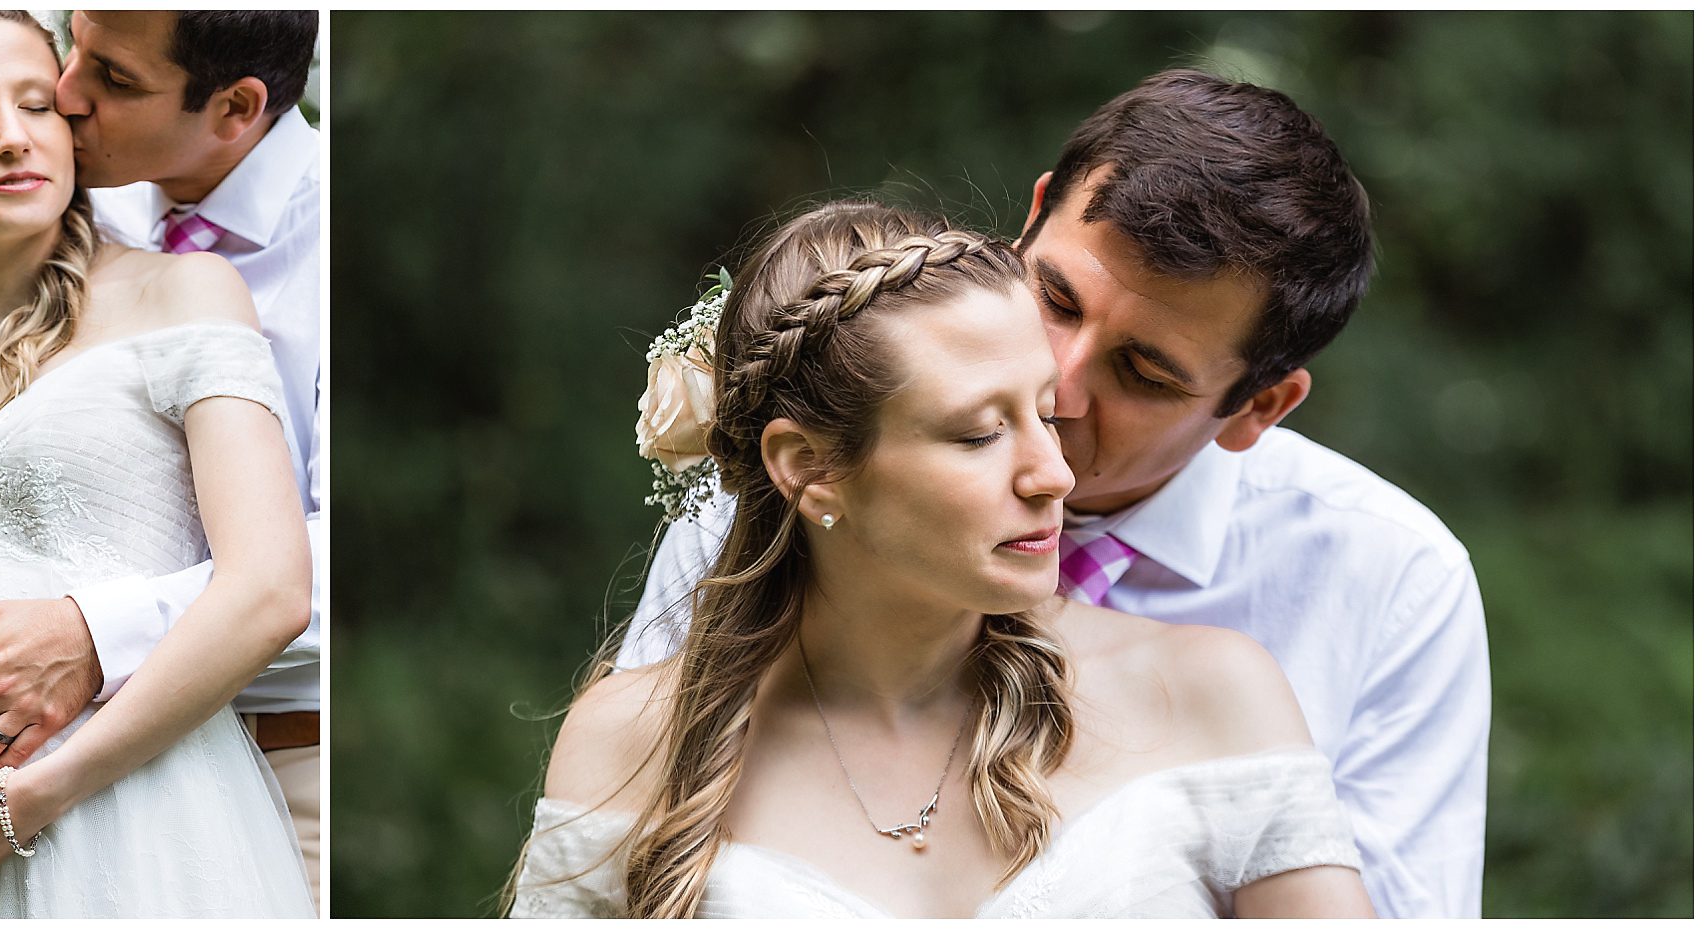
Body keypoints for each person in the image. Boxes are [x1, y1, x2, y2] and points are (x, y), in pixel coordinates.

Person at [620, 69, 1489, 918]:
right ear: (1033, 217)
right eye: (1057, 298)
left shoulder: (1391, 582)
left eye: (1143, 373)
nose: (1061, 383)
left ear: (1256, 407)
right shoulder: (804, 489)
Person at [512, 201, 1375, 917]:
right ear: (809, 466)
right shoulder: (634, 741)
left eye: (1045, 411)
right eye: (980, 433)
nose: (1054, 473)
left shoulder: (1211, 693)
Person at [0, 10, 312, 916]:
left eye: (37, 104)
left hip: (133, 811)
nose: (14, 134)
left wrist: (29, 797)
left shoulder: (185, 288)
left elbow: (270, 586)